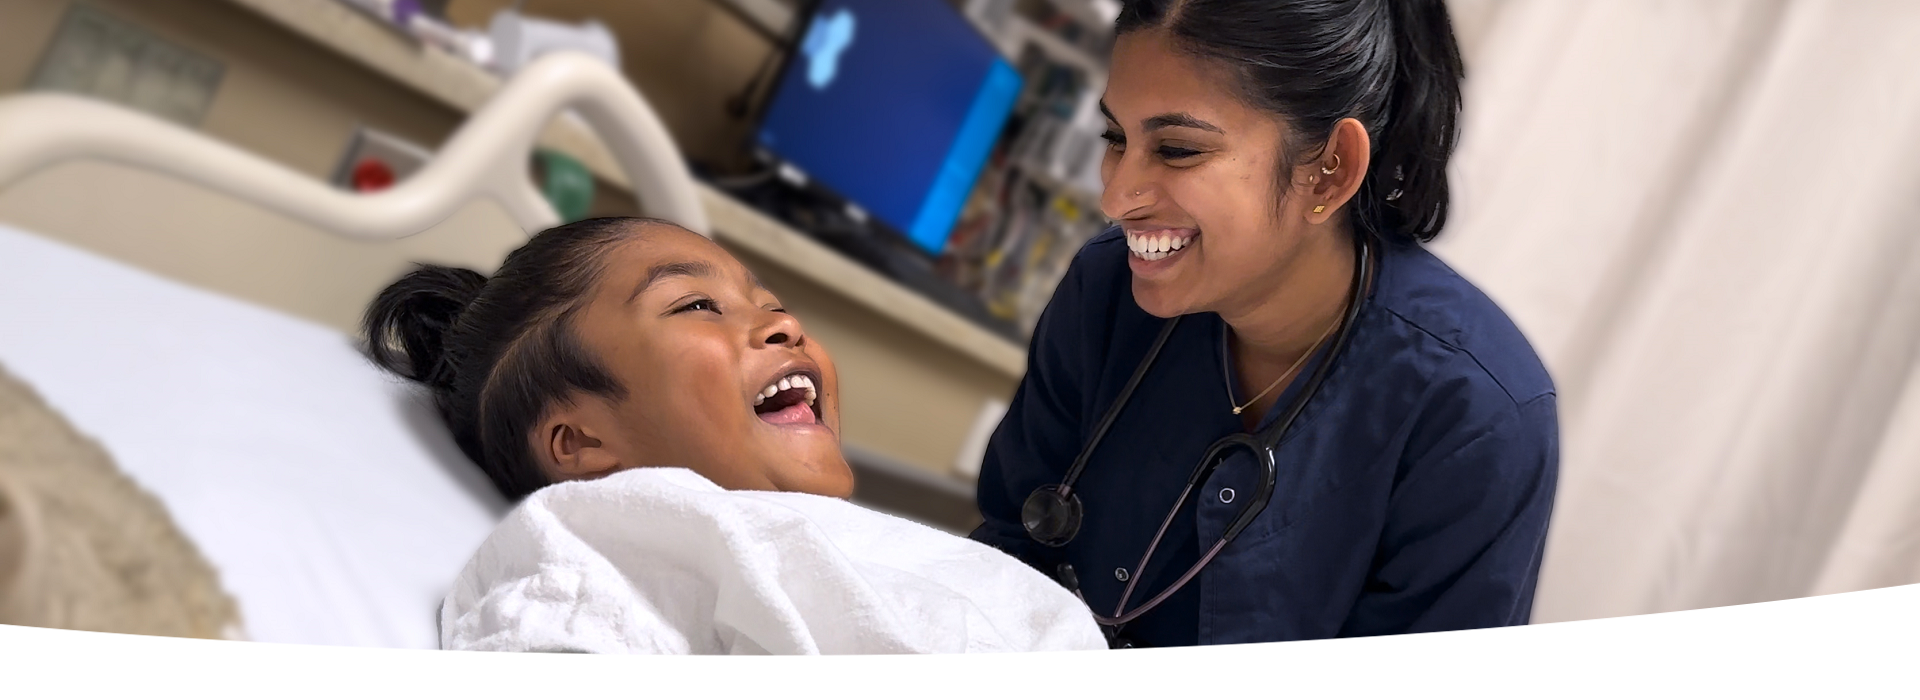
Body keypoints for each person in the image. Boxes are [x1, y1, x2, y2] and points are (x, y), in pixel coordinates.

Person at [970, 0, 1558, 649]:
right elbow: (1002, 563)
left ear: (1330, 171)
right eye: (1115, 138)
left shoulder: (1475, 416)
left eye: (1177, 149)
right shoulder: (1107, 289)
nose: (1114, 198)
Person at [365, 217, 1104, 654]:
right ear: (580, 443)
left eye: (769, 302)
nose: (785, 324)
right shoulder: (601, 572)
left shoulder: (874, 558)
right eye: (695, 305)